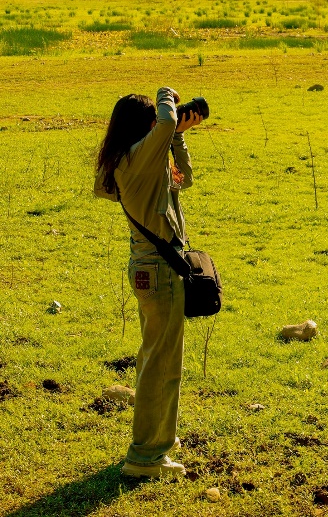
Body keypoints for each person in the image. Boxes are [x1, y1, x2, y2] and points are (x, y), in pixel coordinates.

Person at [94, 87, 202, 479]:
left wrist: (177, 138)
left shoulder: (135, 162)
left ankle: (160, 440)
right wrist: (166, 97)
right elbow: (168, 117)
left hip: (148, 270)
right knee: (162, 364)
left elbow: (183, 180)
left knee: (155, 358)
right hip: (158, 271)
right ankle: (145, 456)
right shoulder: (136, 159)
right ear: (146, 127)